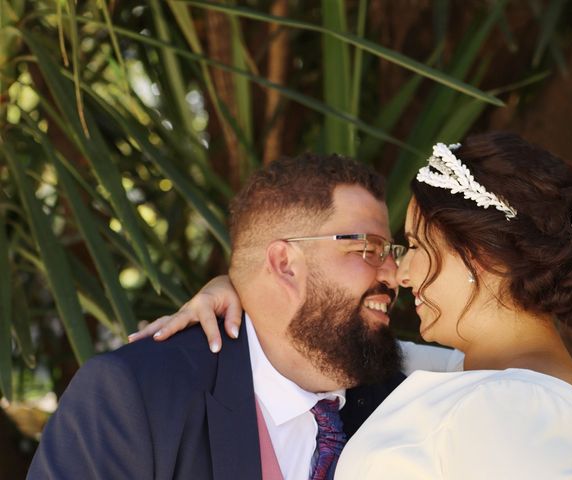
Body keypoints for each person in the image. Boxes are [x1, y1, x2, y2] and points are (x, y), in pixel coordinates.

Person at [138, 133, 572, 479]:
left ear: (482, 257)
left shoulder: (520, 408)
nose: (401, 274)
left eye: (417, 246)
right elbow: (322, 339)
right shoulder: (478, 378)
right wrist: (239, 285)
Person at [27, 153, 408, 479]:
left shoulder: (399, 404)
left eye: (392, 251)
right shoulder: (136, 396)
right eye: (370, 249)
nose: (394, 274)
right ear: (285, 264)